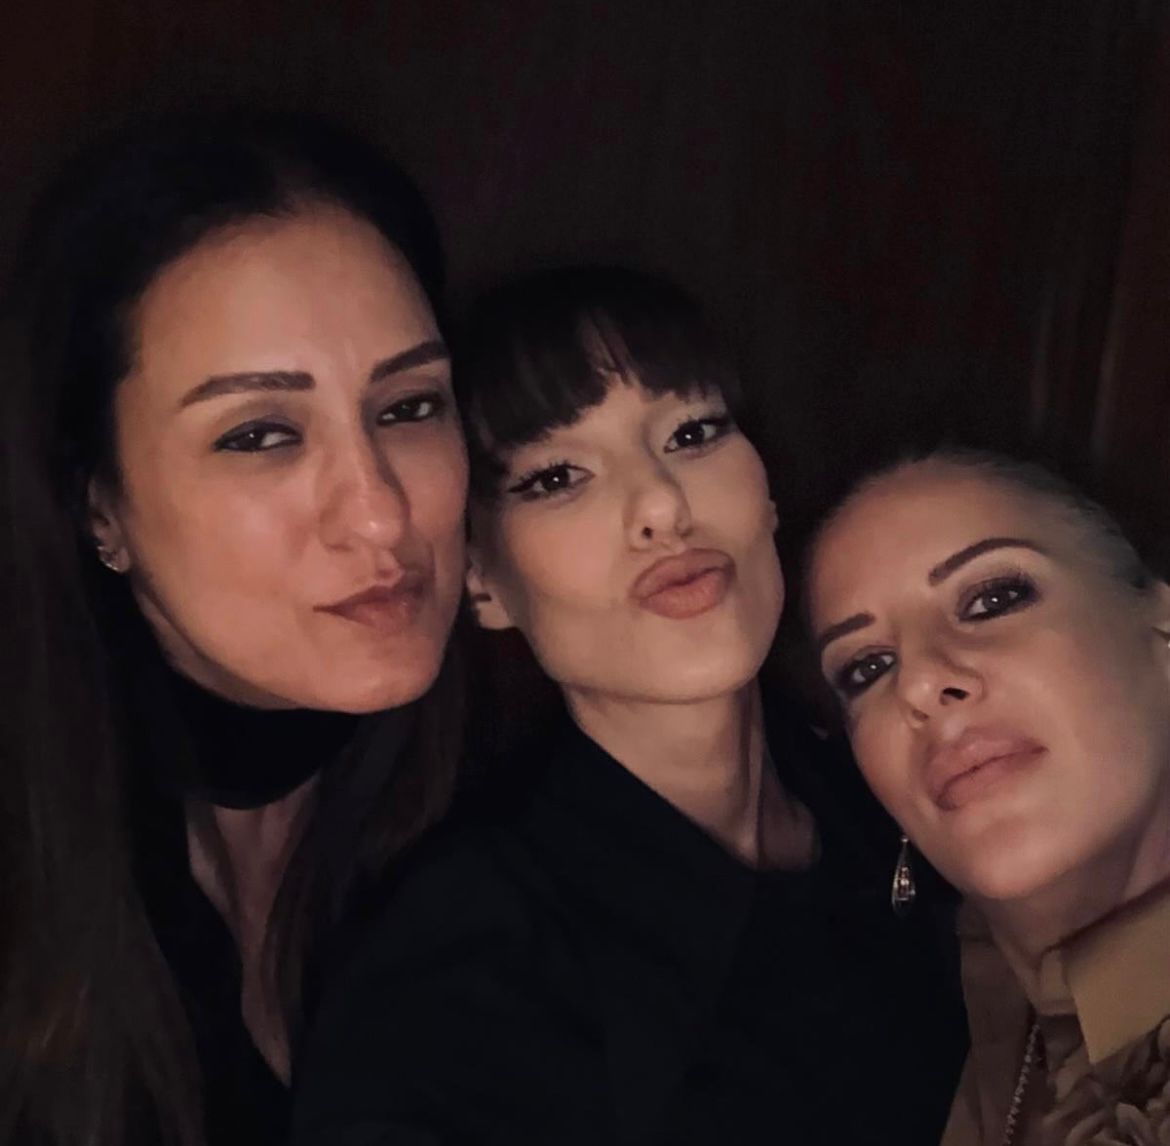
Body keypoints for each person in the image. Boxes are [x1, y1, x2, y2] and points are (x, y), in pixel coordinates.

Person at [293, 267, 967, 1146]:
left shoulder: (897, 779)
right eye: (556, 477)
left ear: (765, 490)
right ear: (480, 578)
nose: (661, 505)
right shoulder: (457, 972)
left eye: (693, 432)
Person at [0, 111, 469, 1146]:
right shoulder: (35, 878)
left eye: (408, 408)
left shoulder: (505, 810)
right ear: (99, 506)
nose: (381, 514)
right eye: (259, 435)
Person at [804, 447, 1170, 1145]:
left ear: (1161, 627)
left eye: (993, 599)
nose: (919, 684)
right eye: (867, 668)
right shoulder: (935, 1025)